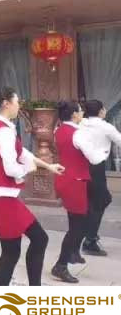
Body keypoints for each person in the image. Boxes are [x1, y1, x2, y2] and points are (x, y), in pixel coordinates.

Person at [0, 87, 63, 286]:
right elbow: (11, 168)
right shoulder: (3, 131)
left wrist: (48, 165)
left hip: (4, 196)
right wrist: (30, 168)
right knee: (14, 250)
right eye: (17, 101)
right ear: (6, 103)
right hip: (2, 197)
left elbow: (23, 153)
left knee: (32, 242)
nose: (19, 105)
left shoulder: (2, 127)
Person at [52, 100, 104, 283]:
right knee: (77, 227)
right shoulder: (78, 134)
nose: (83, 114)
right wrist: (103, 151)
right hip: (75, 182)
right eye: (81, 111)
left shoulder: (59, 130)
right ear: (74, 114)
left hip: (66, 179)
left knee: (77, 220)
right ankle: (61, 265)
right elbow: (94, 158)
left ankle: (73, 253)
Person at [79, 100, 120, 256]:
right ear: (100, 111)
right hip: (96, 168)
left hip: (83, 166)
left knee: (95, 201)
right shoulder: (105, 127)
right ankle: (89, 240)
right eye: (104, 108)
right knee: (101, 200)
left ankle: (88, 234)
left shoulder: (81, 124)